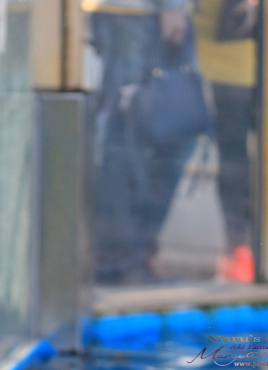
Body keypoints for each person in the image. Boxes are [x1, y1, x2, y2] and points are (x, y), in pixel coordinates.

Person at [85, 0, 194, 284]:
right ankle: (119, 256)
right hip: (136, 13)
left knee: (170, 130)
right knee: (127, 133)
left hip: (143, 14)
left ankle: (134, 249)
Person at [193, 0, 258, 282]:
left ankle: (245, 247)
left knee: (245, 157)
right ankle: (238, 247)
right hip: (217, 58)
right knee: (234, 156)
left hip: (258, 58)